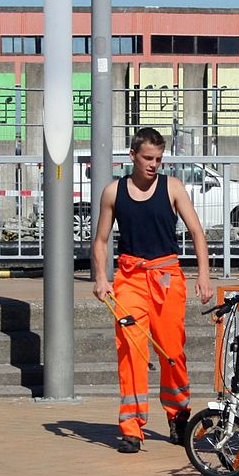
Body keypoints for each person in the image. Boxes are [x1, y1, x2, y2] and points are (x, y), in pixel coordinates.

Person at [92, 127, 214, 453]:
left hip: (167, 277)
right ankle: (132, 427)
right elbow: (101, 242)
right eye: (147, 158)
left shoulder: (173, 188)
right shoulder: (113, 193)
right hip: (130, 278)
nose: (153, 164)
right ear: (132, 156)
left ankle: (178, 414)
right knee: (132, 350)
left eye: (158, 158)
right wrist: (101, 278)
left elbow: (198, 234)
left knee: (172, 352)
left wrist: (203, 276)